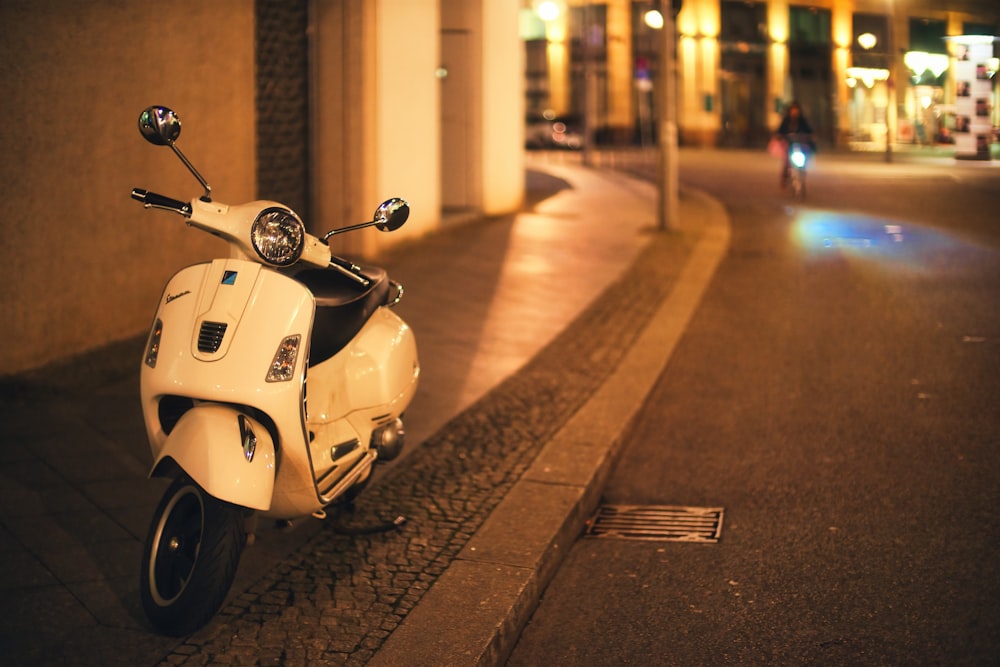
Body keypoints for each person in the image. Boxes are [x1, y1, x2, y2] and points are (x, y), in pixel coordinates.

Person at [775, 101, 814, 188]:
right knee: (787, 161)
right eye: (793, 110)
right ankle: (785, 177)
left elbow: (809, 130)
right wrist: (780, 136)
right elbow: (780, 131)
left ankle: (802, 172)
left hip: (801, 143)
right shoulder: (786, 120)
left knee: (805, 157)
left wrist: (809, 136)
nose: (794, 112)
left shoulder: (802, 120)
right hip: (790, 143)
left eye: (796, 110)